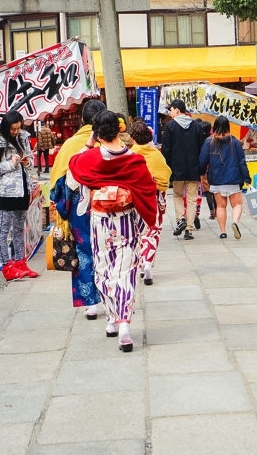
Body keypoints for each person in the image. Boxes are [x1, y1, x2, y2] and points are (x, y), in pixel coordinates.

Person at [68, 111, 158, 352]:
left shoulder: (89, 158)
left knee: (103, 269)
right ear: (119, 130)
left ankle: (111, 318)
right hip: (125, 219)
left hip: (100, 220)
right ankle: (124, 323)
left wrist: (89, 144)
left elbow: (73, 172)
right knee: (126, 270)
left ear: (97, 133)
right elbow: (147, 188)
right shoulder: (133, 160)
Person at [48, 99, 106, 320]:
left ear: (82, 120)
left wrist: (62, 203)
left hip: (80, 208)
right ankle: (111, 296)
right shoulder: (109, 141)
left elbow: (57, 183)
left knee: (84, 252)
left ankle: (90, 302)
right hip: (108, 205)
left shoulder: (72, 144)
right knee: (108, 251)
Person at [0, 111, 40, 279]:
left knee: (19, 229)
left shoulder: (24, 137)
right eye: (13, 129)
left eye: (18, 128)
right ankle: (7, 266)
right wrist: (10, 164)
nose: (15, 131)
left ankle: (20, 263)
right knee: (3, 229)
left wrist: (27, 162)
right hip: (7, 191)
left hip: (23, 188)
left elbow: (31, 162)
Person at [128, 119, 171, 285]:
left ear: (133, 138)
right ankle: (147, 262)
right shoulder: (156, 155)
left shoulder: (131, 155)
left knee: (138, 232)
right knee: (153, 231)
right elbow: (165, 175)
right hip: (154, 197)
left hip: (136, 198)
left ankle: (140, 262)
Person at [160, 99, 210, 240]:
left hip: (176, 169)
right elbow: (202, 150)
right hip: (193, 169)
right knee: (192, 198)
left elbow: (166, 150)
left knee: (177, 195)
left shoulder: (170, 127)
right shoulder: (196, 126)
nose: (170, 113)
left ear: (177, 110)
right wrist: (201, 168)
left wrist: (168, 167)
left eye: (171, 110)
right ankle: (189, 229)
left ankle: (180, 219)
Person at [199, 117, 251, 240]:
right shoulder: (235, 142)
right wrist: (246, 177)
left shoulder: (209, 142)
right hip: (234, 178)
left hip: (216, 178)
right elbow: (242, 161)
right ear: (228, 126)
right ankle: (235, 222)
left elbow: (202, 160)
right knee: (237, 204)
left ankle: (223, 231)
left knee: (221, 206)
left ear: (214, 127)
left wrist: (201, 173)